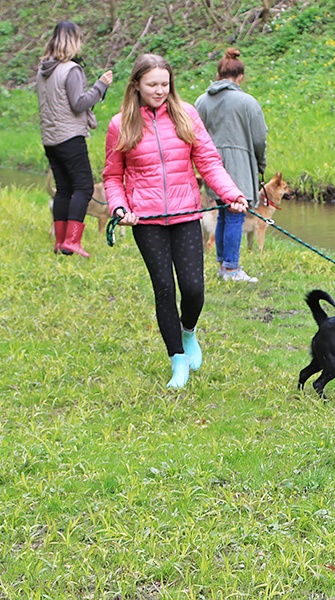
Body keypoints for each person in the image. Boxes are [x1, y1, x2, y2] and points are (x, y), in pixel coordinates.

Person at [103, 54, 248, 389]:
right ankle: (177, 362)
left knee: (194, 289)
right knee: (164, 289)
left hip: (185, 214)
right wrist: (120, 209)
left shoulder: (187, 115)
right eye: (152, 84)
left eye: (165, 84)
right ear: (136, 85)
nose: (159, 91)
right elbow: (113, 176)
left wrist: (231, 194)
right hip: (147, 220)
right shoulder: (120, 125)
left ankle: (188, 332)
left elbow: (209, 162)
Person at [37, 20, 113, 257]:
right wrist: (100, 86)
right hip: (70, 136)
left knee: (63, 189)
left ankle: (60, 242)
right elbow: (79, 103)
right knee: (84, 187)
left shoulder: (43, 70)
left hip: (50, 138)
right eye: (79, 40)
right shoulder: (71, 70)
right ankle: (73, 241)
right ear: (73, 41)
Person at [194, 47, 268, 283]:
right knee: (236, 213)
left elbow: (194, 133)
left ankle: (222, 266)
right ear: (240, 77)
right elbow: (259, 138)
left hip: (211, 165)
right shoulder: (248, 102)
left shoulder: (201, 101)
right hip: (239, 163)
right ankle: (232, 269)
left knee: (223, 214)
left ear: (218, 75)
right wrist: (260, 163)